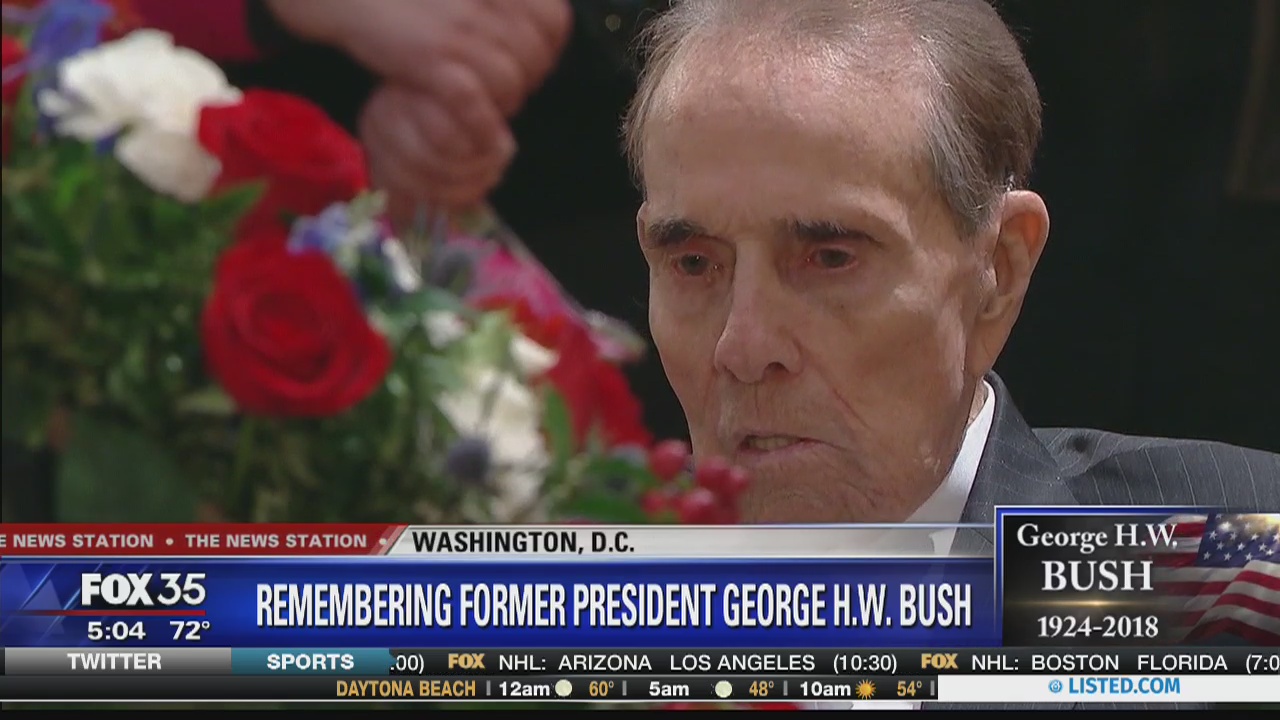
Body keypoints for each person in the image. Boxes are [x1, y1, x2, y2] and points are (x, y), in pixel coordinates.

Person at [623, 1, 1278, 707]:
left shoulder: (1231, 570)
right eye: (693, 264)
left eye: (831, 257)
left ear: (999, 270)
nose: (743, 347)